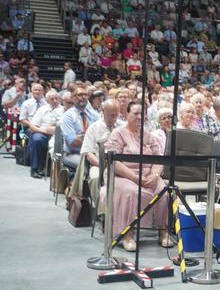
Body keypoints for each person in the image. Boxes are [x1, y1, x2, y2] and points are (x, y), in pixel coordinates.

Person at [103, 101, 172, 251]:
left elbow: (158, 158)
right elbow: (114, 162)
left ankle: (163, 231)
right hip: (123, 175)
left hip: (148, 175)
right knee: (132, 192)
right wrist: (135, 178)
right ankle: (127, 234)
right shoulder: (118, 133)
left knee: (163, 191)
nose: (139, 117)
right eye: (135, 113)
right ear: (126, 114)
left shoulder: (148, 135)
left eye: (142, 114)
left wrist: (154, 175)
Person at [60, 87, 98, 173]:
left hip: (93, 152)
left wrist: (81, 137)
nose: (83, 97)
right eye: (80, 95)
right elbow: (73, 142)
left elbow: (101, 135)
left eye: (85, 95)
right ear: (73, 98)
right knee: (87, 169)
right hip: (73, 154)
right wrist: (92, 142)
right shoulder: (68, 116)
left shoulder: (94, 115)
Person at [27, 90, 62, 178]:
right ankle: (34, 168)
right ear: (47, 101)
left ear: (60, 99)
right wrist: (45, 131)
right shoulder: (42, 109)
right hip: (43, 133)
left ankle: (55, 170)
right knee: (37, 139)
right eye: (52, 99)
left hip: (58, 134)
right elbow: (32, 126)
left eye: (56, 98)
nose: (54, 101)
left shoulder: (63, 109)